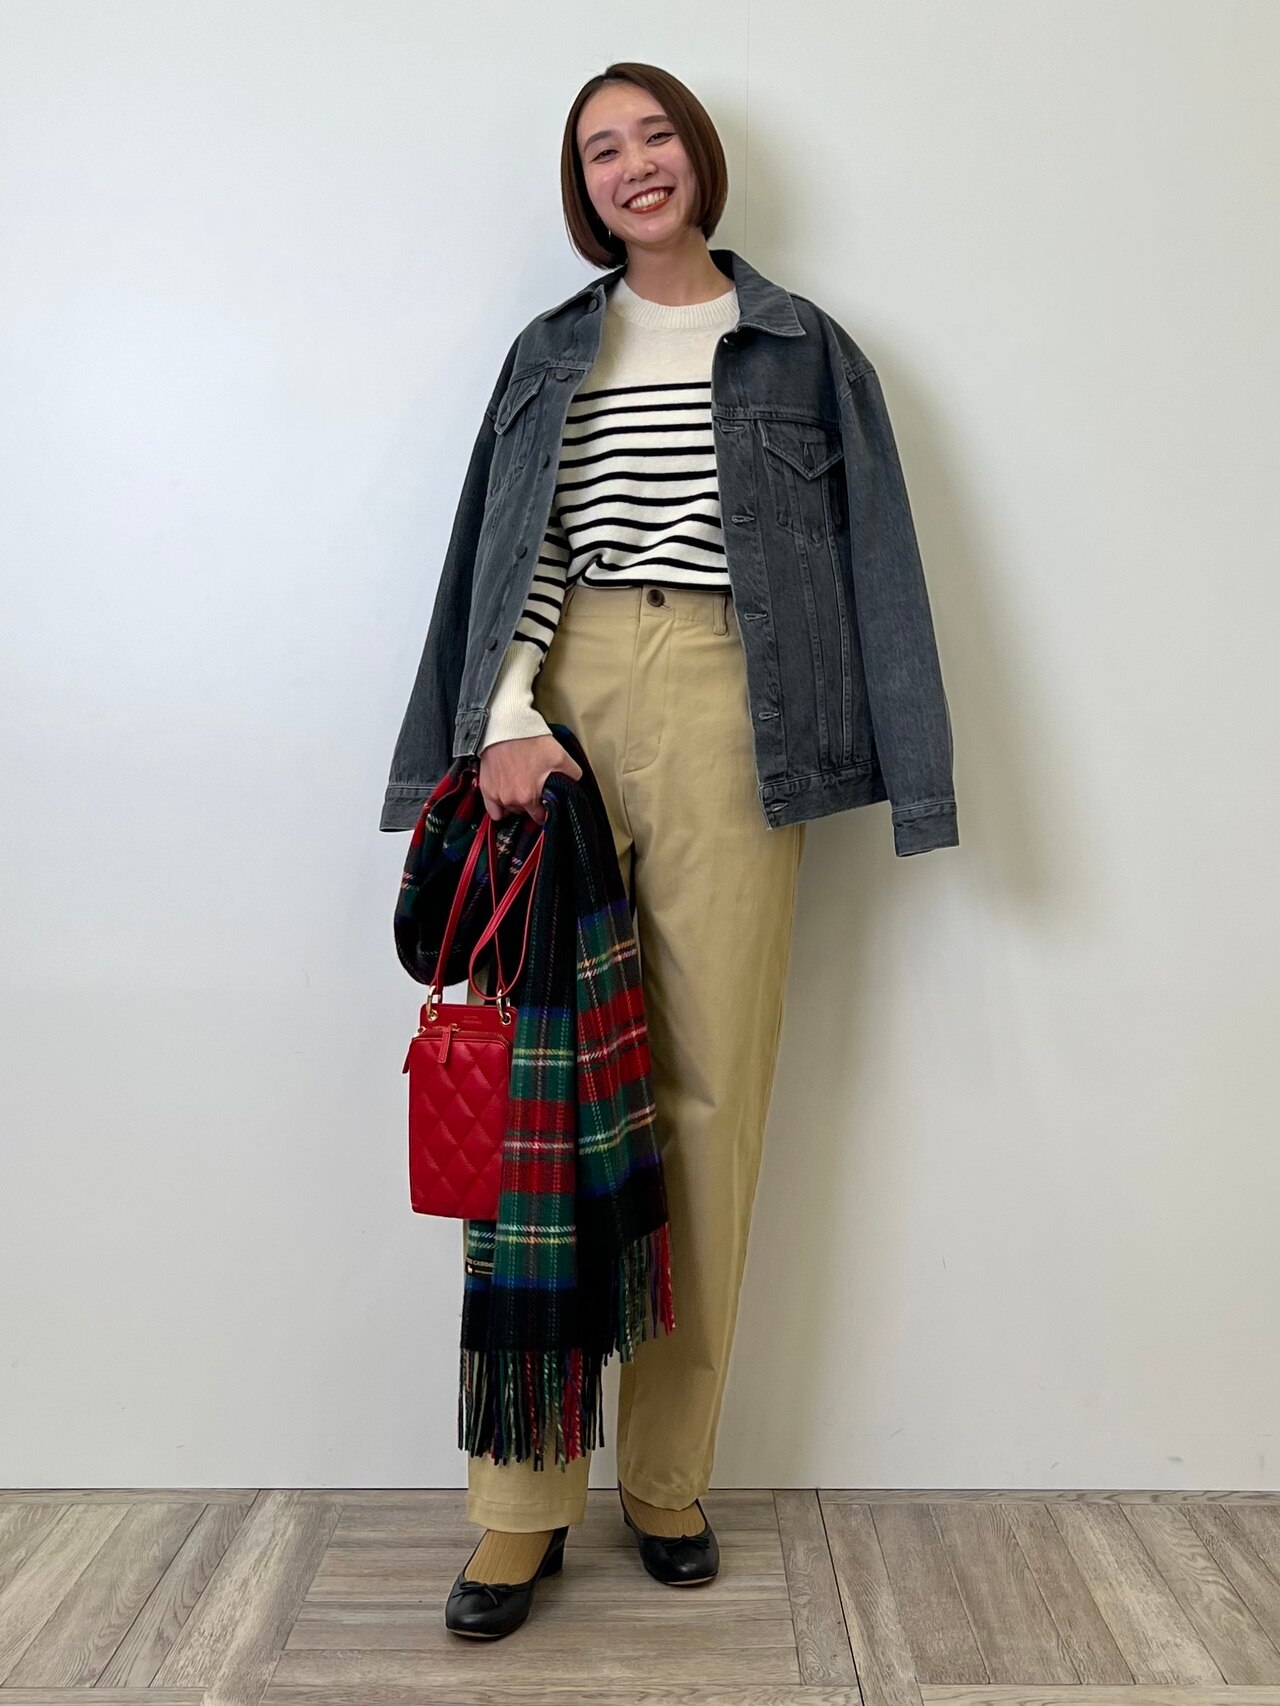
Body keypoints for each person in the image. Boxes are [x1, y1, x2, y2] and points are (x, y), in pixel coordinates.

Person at [383, 61, 959, 1639]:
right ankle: (518, 1503)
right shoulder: (549, 350)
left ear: (698, 157)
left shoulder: (805, 349)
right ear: (582, 187)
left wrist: (913, 774)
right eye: (601, 150)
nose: (634, 165)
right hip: (562, 711)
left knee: (711, 1096)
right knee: (537, 1100)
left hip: (732, 705)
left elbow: (881, 562)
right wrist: (506, 715)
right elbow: (509, 545)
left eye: (653, 137)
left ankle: (664, 1474)